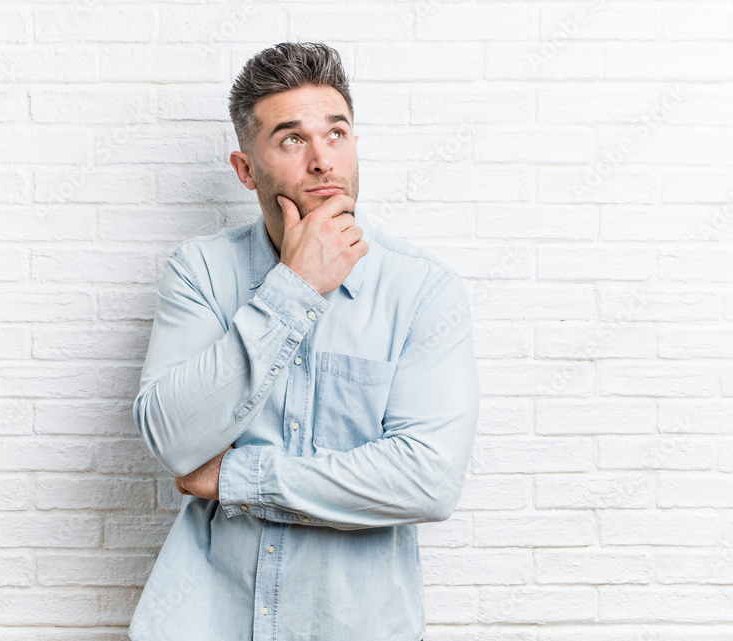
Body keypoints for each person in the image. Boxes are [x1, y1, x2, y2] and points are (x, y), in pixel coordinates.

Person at [127, 41, 479, 641]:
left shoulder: (424, 290)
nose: (322, 160)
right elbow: (173, 440)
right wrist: (293, 289)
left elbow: (427, 479)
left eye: (336, 134)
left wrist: (239, 478)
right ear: (245, 169)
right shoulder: (200, 274)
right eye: (292, 139)